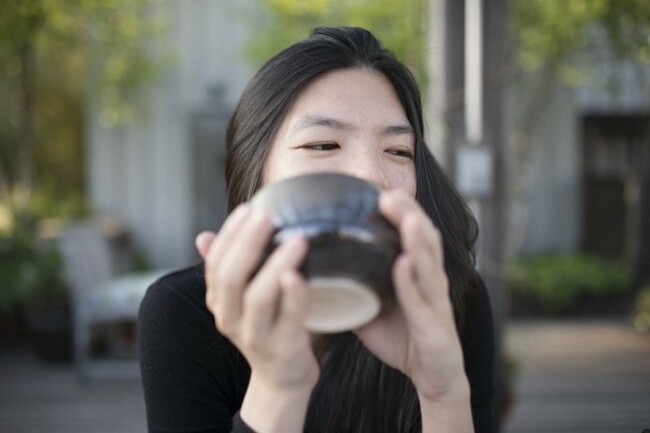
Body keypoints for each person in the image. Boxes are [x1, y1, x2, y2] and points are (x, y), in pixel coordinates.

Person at [138, 26, 496, 433]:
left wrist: (443, 393)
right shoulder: (185, 312)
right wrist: (278, 386)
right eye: (323, 144)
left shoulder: (447, 297)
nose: (369, 175)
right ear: (257, 169)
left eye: (398, 151)